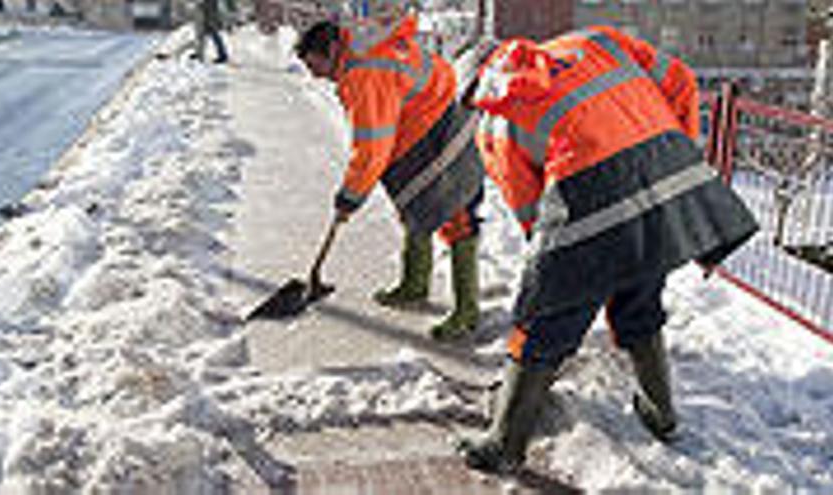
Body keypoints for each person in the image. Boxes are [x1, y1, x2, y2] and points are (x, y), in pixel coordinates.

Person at [455, 26, 759, 474]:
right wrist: (674, 149)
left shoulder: (496, 126)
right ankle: (662, 414)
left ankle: (505, 443)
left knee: (541, 323)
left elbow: (531, 214)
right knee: (638, 298)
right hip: (664, 177)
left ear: (477, 88)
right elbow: (680, 80)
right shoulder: (594, 42)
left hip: (593, 200)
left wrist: (555, 277)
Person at [295, 16, 486, 340]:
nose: (314, 76)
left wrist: (349, 198)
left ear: (330, 50)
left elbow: (371, 147)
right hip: (418, 120)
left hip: (435, 131)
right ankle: (414, 285)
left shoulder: (365, 74)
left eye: (315, 65)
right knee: (414, 207)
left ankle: (467, 312)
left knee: (455, 215)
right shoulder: (363, 48)